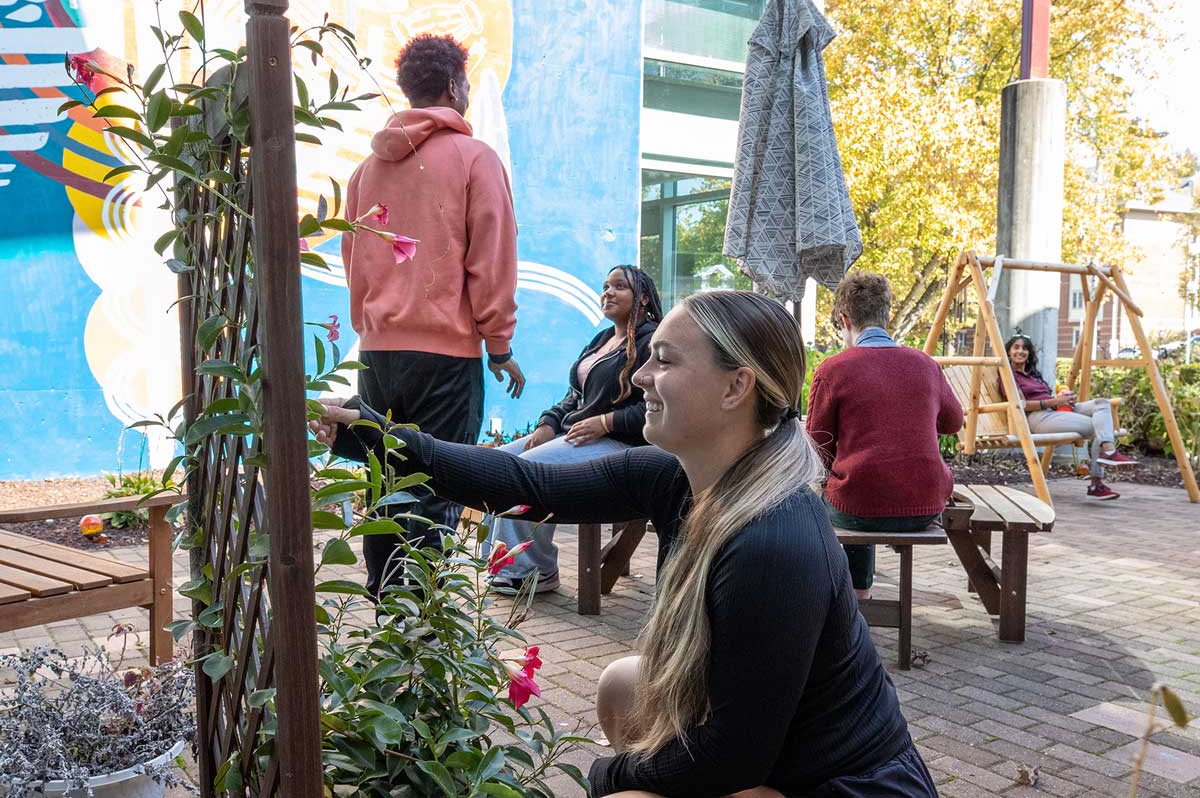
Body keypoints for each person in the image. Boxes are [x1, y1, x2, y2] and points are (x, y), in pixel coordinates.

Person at [312, 290, 937, 798]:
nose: (639, 375)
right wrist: (373, 434)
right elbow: (527, 484)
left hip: (849, 785)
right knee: (621, 685)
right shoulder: (681, 480)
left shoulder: (772, 540)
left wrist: (610, 775)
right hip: (769, 761)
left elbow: (732, 758)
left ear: (735, 388)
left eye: (664, 359)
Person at [341, 34, 525, 598]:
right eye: (465, 82)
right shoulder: (475, 159)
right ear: (452, 85)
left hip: (378, 354)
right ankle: (418, 628)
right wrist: (499, 344)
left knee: (385, 480)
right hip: (445, 357)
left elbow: (355, 258)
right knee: (437, 482)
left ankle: (386, 606)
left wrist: (373, 326)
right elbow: (490, 255)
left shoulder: (366, 170)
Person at [487, 265, 663, 593]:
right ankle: (501, 563)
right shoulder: (602, 339)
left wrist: (607, 421)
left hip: (624, 443)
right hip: (578, 433)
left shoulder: (653, 341)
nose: (607, 292)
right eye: (605, 286)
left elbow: (661, 405)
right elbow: (575, 397)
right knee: (495, 465)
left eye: (619, 286)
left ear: (642, 299)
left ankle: (532, 571)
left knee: (527, 470)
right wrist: (547, 423)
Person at [805, 272, 963, 599]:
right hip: (926, 504)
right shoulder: (925, 364)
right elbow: (953, 422)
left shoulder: (834, 369)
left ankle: (853, 597)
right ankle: (860, 594)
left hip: (858, 507)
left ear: (845, 319)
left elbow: (816, 447)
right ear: (887, 317)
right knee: (861, 487)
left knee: (841, 493)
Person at [1004, 333, 1136, 500]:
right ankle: (1098, 480)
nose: (1020, 351)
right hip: (1037, 418)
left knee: (1102, 404)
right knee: (1099, 426)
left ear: (1029, 353)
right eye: (1016, 347)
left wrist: (1065, 400)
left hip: (1054, 412)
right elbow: (1020, 404)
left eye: (1024, 348)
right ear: (1008, 352)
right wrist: (1054, 401)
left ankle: (1108, 453)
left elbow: (1050, 398)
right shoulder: (1009, 376)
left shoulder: (1033, 375)